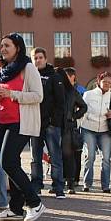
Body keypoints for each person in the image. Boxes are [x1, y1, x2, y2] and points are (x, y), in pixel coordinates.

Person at [0, 33, 46, 221]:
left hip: (20, 122)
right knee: (11, 164)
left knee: (8, 162)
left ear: (18, 48)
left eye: (7, 45)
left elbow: (38, 96)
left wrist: (12, 93)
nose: (3, 49)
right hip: (2, 121)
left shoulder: (28, 67)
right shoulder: (2, 69)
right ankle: (15, 208)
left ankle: (35, 202)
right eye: (2, 45)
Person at [28, 47, 65, 198]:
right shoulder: (29, 77)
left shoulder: (54, 77)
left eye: (40, 57)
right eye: (35, 58)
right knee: (35, 158)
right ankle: (36, 184)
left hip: (50, 124)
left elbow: (60, 102)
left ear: (45, 59)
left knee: (55, 156)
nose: (38, 60)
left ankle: (58, 186)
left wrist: (53, 121)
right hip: (34, 123)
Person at [81, 71, 111, 193]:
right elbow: (83, 111)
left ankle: (105, 185)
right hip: (89, 128)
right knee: (90, 156)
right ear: (98, 82)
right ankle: (87, 183)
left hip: (106, 130)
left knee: (106, 158)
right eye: (104, 81)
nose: (107, 84)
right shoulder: (88, 94)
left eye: (109, 82)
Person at [60, 67, 87, 193]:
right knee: (56, 155)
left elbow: (83, 107)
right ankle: (58, 183)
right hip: (54, 126)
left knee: (68, 155)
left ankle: (70, 183)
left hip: (68, 127)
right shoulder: (54, 90)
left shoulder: (72, 92)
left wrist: (73, 117)